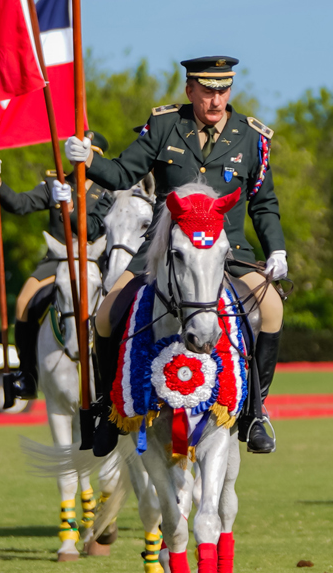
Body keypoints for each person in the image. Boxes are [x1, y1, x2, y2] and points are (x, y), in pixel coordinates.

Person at [66, 56, 289, 454]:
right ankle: (106, 408)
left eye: (223, 91)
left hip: (228, 252)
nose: (216, 101)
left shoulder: (251, 137)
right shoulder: (165, 126)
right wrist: (88, 161)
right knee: (104, 317)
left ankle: (255, 412)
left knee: (272, 310)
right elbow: (121, 174)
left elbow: (263, 203)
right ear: (190, 91)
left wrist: (277, 250)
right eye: (207, 91)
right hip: (161, 252)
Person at [0, 132, 115, 400]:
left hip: (94, 262)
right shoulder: (55, 183)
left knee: (115, 310)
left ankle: (112, 378)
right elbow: (20, 205)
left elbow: (92, 228)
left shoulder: (108, 193)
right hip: (57, 260)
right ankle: (28, 375)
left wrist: (68, 207)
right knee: (23, 303)